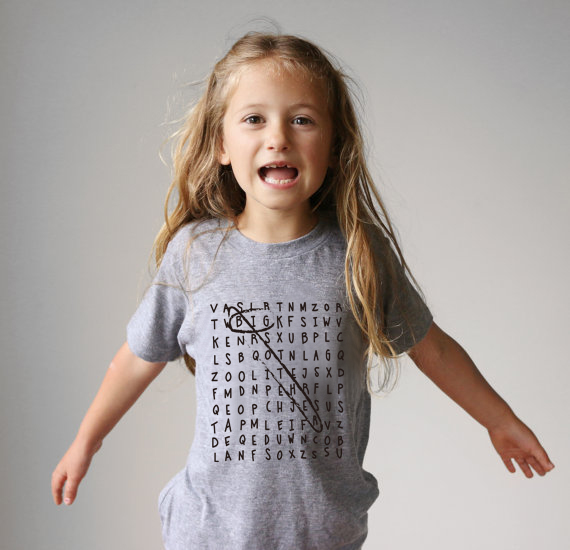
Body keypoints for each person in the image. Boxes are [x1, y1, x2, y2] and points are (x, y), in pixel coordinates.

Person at [51, 32, 555, 550]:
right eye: (254, 119)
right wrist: (86, 442)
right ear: (221, 145)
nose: (278, 138)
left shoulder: (359, 252)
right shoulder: (194, 254)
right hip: (209, 530)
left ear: (333, 146)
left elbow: (433, 349)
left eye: (302, 120)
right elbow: (137, 358)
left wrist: (499, 420)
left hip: (324, 532)